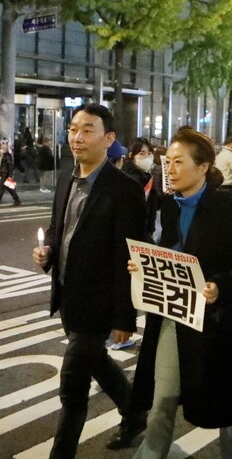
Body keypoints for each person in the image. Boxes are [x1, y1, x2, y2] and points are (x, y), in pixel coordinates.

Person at [124, 128, 232, 459]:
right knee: (162, 400)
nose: (169, 169)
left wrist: (218, 287)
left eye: (178, 162)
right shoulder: (166, 205)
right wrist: (145, 267)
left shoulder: (227, 210)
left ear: (203, 166)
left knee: (229, 405)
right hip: (173, 315)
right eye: (167, 162)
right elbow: (165, 252)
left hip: (217, 322)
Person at [31, 103, 147, 459]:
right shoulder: (67, 177)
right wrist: (48, 248)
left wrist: (124, 317)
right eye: (73, 129)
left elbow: (130, 257)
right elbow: (58, 226)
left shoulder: (125, 190)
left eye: (87, 130)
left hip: (100, 303)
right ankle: (135, 413)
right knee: (97, 361)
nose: (77, 137)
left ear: (108, 138)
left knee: (72, 385)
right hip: (68, 294)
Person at [122, 137, 160, 238]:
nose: (147, 157)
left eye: (149, 153)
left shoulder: (146, 176)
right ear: (131, 156)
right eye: (142, 153)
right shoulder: (131, 180)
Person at [0, 139, 22, 206]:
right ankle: (17, 200)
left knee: (1, 188)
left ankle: (17, 200)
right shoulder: (2, 155)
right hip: (3, 174)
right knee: (11, 188)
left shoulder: (7, 156)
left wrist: (10, 175)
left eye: (5, 147)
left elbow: (10, 166)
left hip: (5, 174)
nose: (3, 148)